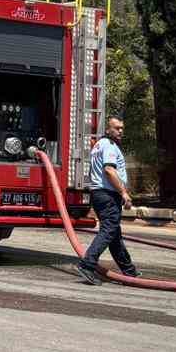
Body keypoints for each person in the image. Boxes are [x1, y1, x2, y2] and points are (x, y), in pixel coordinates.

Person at [76, 117, 140, 284]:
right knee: (109, 230)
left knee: (114, 234)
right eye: (117, 128)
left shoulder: (99, 145)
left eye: (122, 128)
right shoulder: (109, 146)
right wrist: (124, 193)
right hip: (107, 195)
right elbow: (109, 170)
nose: (120, 131)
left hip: (99, 194)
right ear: (107, 129)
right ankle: (87, 265)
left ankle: (129, 271)